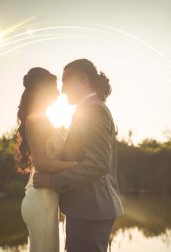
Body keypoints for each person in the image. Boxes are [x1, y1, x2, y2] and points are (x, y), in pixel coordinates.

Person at [33, 59, 124, 252]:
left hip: (92, 208)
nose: (62, 88)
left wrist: (53, 181)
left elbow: (98, 164)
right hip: (87, 208)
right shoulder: (86, 109)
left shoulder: (94, 110)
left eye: (66, 80)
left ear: (83, 80)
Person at [17, 67, 78, 252]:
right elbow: (41, 162)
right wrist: (76, 166)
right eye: (54, 87)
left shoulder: (43, 118)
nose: (58, 92)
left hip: (47, 199)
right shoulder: (36, 120)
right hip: (41, 200)